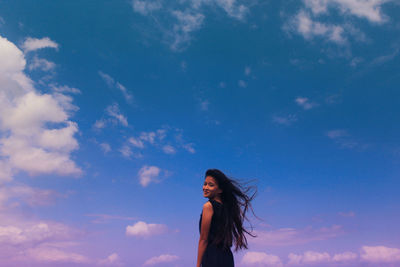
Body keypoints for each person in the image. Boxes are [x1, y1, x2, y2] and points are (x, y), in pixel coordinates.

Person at [197, 169, 258, 267]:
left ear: (220, 190)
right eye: (205, 184)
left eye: (211, 185)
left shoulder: (208, 206)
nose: (205, 187)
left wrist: (197, 265)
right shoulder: (227, 208)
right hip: (227, 258)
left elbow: (204, 239)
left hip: (212, 257)